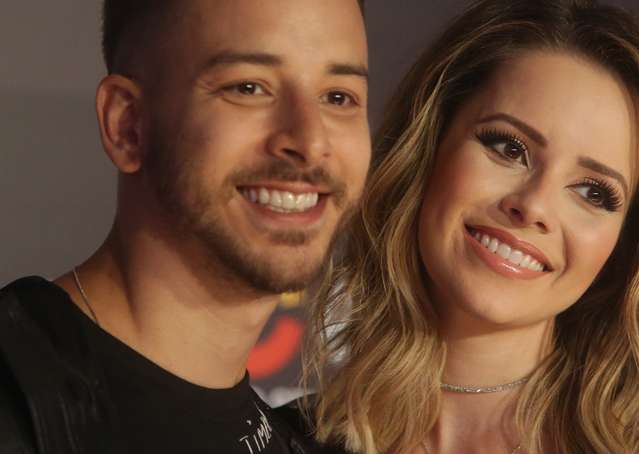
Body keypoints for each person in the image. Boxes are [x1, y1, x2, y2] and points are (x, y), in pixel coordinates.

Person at [287, 0, 639, 453]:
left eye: (593, 192)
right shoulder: (282, 442)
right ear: (427, 147)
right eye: (508, 147)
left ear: (629, 244)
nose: (534, 205)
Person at [0, 0, 369, 453]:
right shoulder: (18, 401)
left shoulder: (308, 436)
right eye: (249, 87)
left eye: (338, 97)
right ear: (127, 125)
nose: (311, 143)